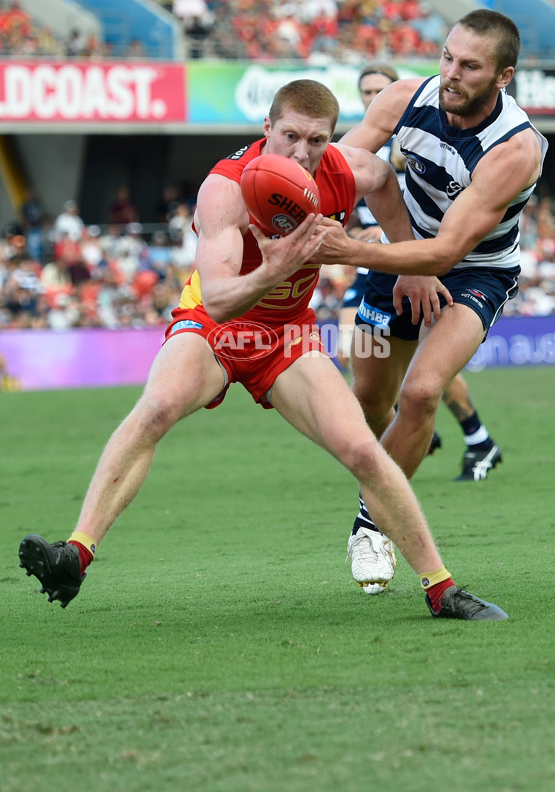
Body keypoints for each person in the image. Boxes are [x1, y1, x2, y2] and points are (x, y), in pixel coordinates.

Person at [18, 79, 507, 621]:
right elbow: (222, 300)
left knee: (364, 451)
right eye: (291, 135)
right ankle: (75, 554)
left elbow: (385, 181)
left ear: (330, 139)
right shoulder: (224, 188)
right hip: (214, 327)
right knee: (155, 408)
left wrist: (406, 260)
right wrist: (276, 266)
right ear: (266, 129)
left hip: (288, 334)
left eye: (316, 140)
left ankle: (442, 589)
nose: (302, 152)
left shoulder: (347, 171)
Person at [318, 10, 548, 594]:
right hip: (397, 257)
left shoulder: (514, 150)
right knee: (366, 405)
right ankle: (395, 465)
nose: (450, 73)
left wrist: (343, 248)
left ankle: (372, 524)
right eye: (447, 56)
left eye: (469, 66)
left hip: (475, 274)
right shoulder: (401, 97)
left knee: (422, 392)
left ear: (504, 76)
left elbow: (447, 252)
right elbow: (341, 168)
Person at [339, 63, 503, 482]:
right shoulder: (363, 142)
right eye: (365, 91)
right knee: (368, 380)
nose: (372, 96)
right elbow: (344, 191)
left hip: (422, 257)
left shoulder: (406, 139)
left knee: (425, 378)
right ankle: (414, 436)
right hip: (377, 258)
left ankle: (473, 437)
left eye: (380, 88)